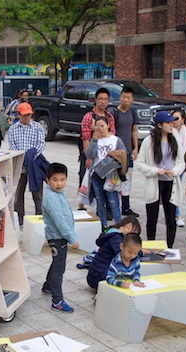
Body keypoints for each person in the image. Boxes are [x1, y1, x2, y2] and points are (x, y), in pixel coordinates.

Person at [135, 111, 185, 248]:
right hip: (155, 182)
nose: (171, 125)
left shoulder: (174, 139)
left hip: (171, 182)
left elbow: (181, 162)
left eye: (172, 122)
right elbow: (139, 164)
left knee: (171, 218)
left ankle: (170, 247)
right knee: (152, 218)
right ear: (159, 125)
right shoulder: (149, 141)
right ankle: (150, 246)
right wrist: (155, 171)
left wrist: (174, 171)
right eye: (168, 123)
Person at [40, 163, 79, 313]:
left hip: (59, 237)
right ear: (48, 180)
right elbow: (60, 221)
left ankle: (48, 285)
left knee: (57, 262)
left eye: (62, 179)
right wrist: (72, 238)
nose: (59, 183)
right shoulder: (51, 198)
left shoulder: (57, 194)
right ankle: (57, 300)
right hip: (58, 237)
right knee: (59, 268)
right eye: (55, 180)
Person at [85, 116, 126, 229]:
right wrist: (93, 140)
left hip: (111, 174)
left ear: (108, 126)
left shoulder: (116, 140)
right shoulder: (96, 140)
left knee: (113, 201)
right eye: (98, 127)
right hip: (97, 174)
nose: (101, 129)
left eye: (102, 126)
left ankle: (118, 226)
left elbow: (123, 154)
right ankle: (103, 226)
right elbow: (89, 154)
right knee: (100, 201)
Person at [7, 102, 46, 224]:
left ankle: (39, 215)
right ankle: (19, 218)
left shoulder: (37, 127)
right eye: (24, 115)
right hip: (20, 164)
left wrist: (31, 155)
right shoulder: (13, 129)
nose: (26, 118)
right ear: (19, 115)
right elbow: (12, 146)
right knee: (19, 193)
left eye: (28, 115)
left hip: (34, 162)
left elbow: (41, 144)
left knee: (37, 191)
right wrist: (22, 158)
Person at [79, 87, 116, 211]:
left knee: (105, 178)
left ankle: (105, 207)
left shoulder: (110, 117)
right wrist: (88, 157)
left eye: (106, 99)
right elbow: (85, 138)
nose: (103, 102)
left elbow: (113, 134)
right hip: (91, 151)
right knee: (85, 177)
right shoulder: (88, 117)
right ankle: (82, 205)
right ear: (95, 100)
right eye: (100, 99)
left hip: (105, 153)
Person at [87, 216, 141, 290]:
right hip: (101, 277)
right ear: (129, 226)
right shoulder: (116, 238)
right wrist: (139, 252)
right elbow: (123, 253)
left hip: (96, 274)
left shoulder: (112, 232)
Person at [109, 87, 139, 218]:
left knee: (127, 179)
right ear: (120, 97)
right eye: (123, 97)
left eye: (128, 98)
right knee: (114, 180)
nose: (126, 100)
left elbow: (134, 131)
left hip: (128, 152)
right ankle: (111, 206)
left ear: (132, 99)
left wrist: (136, 147)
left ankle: (125, 207)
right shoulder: (115, 113)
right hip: (117, 153)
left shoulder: (132, 112)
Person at [172, 109, 186, 227]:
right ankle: (174, 213)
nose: (174, 121)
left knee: (177, 190)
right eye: (173, 118)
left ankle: (176, 214)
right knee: (172, 190)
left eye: (177, 118)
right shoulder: (170, 131)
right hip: (171, 165)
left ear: (183, 120)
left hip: (181, 165)